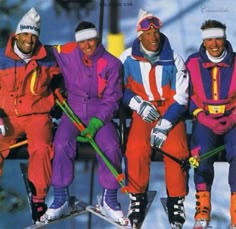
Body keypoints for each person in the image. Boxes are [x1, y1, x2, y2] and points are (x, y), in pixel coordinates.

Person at [44, 21, 127, 225]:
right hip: (72, 112)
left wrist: (96, 123)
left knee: (110, 145)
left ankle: (110, 198)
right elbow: (43, 53)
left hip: (100, 115)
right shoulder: (68, 54)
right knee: (62, 143)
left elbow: (112, 98)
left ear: (97, 39)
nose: (87, 45)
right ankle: (61, 197)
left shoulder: (112, 64)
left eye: (90, 40)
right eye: (82, 41)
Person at [119, 8, 190, 229]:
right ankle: (137, 196)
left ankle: (176, 199)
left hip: (169, 113)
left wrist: (166, 124)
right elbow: (116, 87)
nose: (153, 38)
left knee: (177, 150)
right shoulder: (127, 59)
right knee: (136, 149)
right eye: (148, 34)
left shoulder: (174, 59)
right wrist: (136, 103)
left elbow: (182, 96)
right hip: (144, 112)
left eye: (156, 32)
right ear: (140, 36)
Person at [0, 8, 61, 223]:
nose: (29, 39)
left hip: (37, 115)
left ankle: (38, 199)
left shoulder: (48, 58)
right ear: (17, 35)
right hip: (7, 118)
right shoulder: (2, 59)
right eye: (25, 34)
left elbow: (72, 68)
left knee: (42, 147)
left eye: (33, 35)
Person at [186, 19, 236, 229]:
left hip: (232, 119)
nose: (214, 44)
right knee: (201, 152)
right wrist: (201, 115)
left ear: (225, 39)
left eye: (218, 39)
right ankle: (203, 206)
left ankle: (235, 207)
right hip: (205, 119)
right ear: (203, 41)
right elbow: (186, 95)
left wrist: (232, 118)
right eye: (209, 40)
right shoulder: (193, 62)